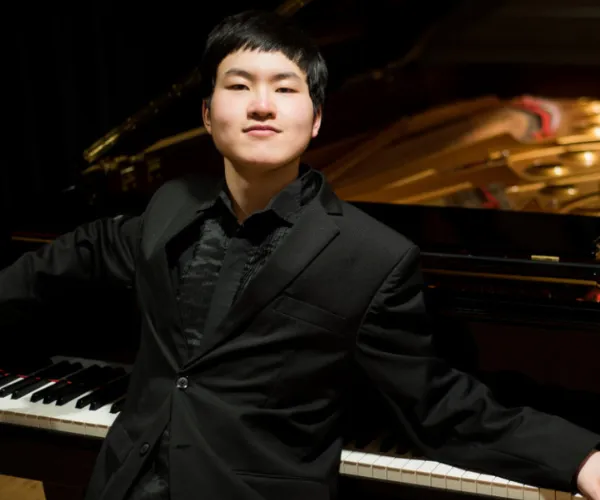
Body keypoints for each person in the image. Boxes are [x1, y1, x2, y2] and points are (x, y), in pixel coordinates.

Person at [1, 10, 599, 500]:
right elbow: (76, 254)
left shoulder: (372, 256)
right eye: (239, 86)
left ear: (315, 121)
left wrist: (580, 458)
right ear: (207, 116)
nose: (261, 105)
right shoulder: (168, 207)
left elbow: (438, 403)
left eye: (285, 89)